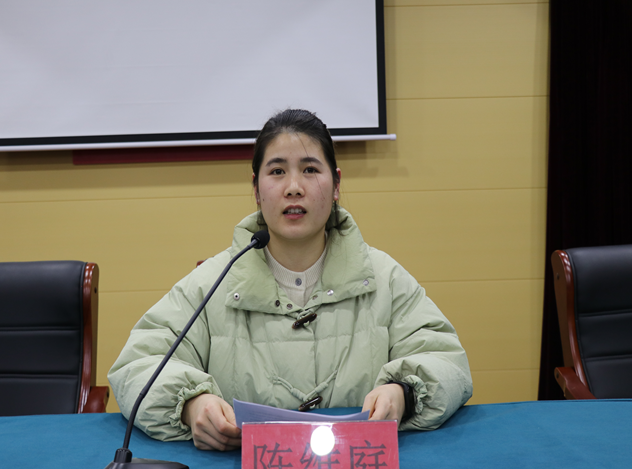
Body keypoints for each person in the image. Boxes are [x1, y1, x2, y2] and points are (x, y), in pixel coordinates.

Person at [108, 109, 473, 451]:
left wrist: (404, 394)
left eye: (310, 169)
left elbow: (448, 363)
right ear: (256, 189)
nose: (294, 187)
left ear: (336, 184)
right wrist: (190, 405)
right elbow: (136, 367)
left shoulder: (384, 278)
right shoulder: (213, 282)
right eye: (277, 171)